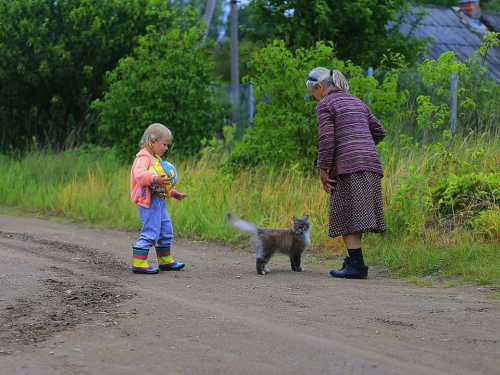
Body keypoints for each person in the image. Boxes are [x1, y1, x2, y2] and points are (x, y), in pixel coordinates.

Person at [306, 68, 386, 279]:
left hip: (348, 167)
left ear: (319, 87)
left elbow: (327, 141)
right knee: (354, 215)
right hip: (370, 164)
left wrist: (323, 170)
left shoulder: (326, 105)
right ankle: (354, 262)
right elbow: (379, 131)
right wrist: (360, 143)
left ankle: (357, 267)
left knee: (345, 214)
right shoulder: (357, 101)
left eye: (312, 92)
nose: (313, 97)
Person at [130, 123, 187, 274]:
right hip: (147, 202)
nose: (166, 148)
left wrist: (172, 192)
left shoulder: (156, 158)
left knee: (166, 230)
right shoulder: (143, 157)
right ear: (152, 141)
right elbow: (139, 175)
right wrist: (154, 178)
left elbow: (163, 183)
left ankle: (165, 260)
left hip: (159, 201)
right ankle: (139, 262)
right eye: (164, 144)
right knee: (151, 231)